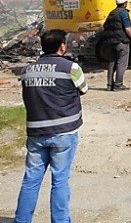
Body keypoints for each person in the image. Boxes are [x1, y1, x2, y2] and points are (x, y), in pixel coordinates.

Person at [14, 29, 87, 223]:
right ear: (63, 46)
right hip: (64, 132)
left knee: (31, 179)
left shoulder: (27, 71)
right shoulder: (71, 67)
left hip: (36, 133)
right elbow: (83, 89)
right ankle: (60, 220)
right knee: (60, 179)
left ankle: (21, 220)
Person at [103, 0, 131, 91]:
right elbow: (127, 28)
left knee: (112, 62)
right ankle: (118, 84)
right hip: (121, 41)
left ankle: (109, 85)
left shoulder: (112, 13)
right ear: (125, 3)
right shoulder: (123, 13)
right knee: (122, 62)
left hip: (110, 41)